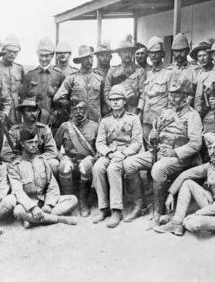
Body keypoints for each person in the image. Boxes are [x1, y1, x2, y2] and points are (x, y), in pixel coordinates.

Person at [124, 78, 203, 229]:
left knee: (158, 169)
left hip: (180, 157)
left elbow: (196, 144)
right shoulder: (166, 112)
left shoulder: (193, 116)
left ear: (186, 97)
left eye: (176, 95)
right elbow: (156, 135)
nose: (172, 98)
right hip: (158, 151)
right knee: (129, 163)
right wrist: (152, 136)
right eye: (171, 95)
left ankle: (158, 213)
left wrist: (174, 152)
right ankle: (140, 206)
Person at [154, 133, 215, 236]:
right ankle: (177, 222)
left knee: (191, 223)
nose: (212, 153)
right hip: (213, 205)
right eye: (209, 148)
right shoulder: (211, 165)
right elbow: (185, 175)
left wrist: (198, 213)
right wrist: (171, 193)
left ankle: (181, 219)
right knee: (187, 183)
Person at [4, 129, 79, 228]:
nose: (34, 145)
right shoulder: (14, 166)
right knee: (18, 210)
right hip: (28, 204)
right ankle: (58, 219)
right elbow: (17, 191)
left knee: (72, 199)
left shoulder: (42, 161)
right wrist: (33, 208)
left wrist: (48, 204)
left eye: (36, 142)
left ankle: (32, 220)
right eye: (30, 142)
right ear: (22, 144)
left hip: (44, 201)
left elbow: (52, 186)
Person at [92, 85, 143, 228]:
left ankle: (116, 210)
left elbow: (137, 143)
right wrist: (109, 153)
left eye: (118, 99)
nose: (115, 102)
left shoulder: (133, 119)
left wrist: (123, 154)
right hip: (109, 152)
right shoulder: (105, 120)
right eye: (112, 99)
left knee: (113, 169)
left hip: (125, 154)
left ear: (125, 101)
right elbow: (100, 143)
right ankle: (103, 208)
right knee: (97, 167)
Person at [55, 99, 98, 217]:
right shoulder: (64, 126)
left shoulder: (94, 127)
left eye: (81, 109)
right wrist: (61, 157)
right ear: (70, 112)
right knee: (63, 166)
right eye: (75, 109)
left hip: (86, 160)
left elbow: (99, 149)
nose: (78, 112)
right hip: (70, 159)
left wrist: (92, 159)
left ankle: (83, 202)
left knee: (86, 165)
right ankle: (69, 203)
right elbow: (55, 147)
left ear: (86, 110)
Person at [1, 99, 59, 175]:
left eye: (34, 110)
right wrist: (21, 160)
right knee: (4, 166)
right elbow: (5, 153)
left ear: (38, 112)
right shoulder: (14, 130)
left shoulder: (44, 129)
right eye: (28, 111)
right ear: (22, 113)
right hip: (20, 163)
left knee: (54, 163)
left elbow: (52, 151)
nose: (32, 114)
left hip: (40, 162)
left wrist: (37, 159)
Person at [54, 45, 104, 122]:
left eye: (91, 57)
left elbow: (103, 100)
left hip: (95, 123)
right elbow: (57, 98)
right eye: (85, 58)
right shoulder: (72, 78)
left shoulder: (99, 79)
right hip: (77, 122)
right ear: (80, 60)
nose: (89, 61)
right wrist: (72, 105)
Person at [22, 37, 65, 126]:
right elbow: (23, 98)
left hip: (52, 122)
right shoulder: (30, 75)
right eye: (41, 55)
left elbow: (64, 101)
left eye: (47, 56)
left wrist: (56, 114)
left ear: (52, 56)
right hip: (32, 122)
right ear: (37, 55)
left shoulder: (59, 75)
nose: (44, 59)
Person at [139, 36, 171, 144]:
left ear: (162, 54)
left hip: (161, 119)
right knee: (148, 147)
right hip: (146, 118)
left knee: (161, 147)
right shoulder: (146, 73)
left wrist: (167, 119)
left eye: (157, 52)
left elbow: (171, 99)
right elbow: (143, 95)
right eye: (151, 52)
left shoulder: (169, 73)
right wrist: (140, 113)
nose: (153, 55)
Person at [104, 40, 145, 114]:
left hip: (133, 111)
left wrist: (139, 112)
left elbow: (143, 94)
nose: (127, 54)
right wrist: (114, 107)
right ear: (119, 54)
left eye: (129, 52)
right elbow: (106, 93)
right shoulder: (112, 71)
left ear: (132, 53)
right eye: (124, 52)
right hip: (116, 112)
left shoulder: (139, 70)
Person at [0, 34, 25, 125]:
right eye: (9, 51)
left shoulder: (19, 68)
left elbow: (23, 91)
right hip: (0, 111)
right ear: (3, 50)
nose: (12, 54)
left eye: (15, 52)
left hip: (16, 112)